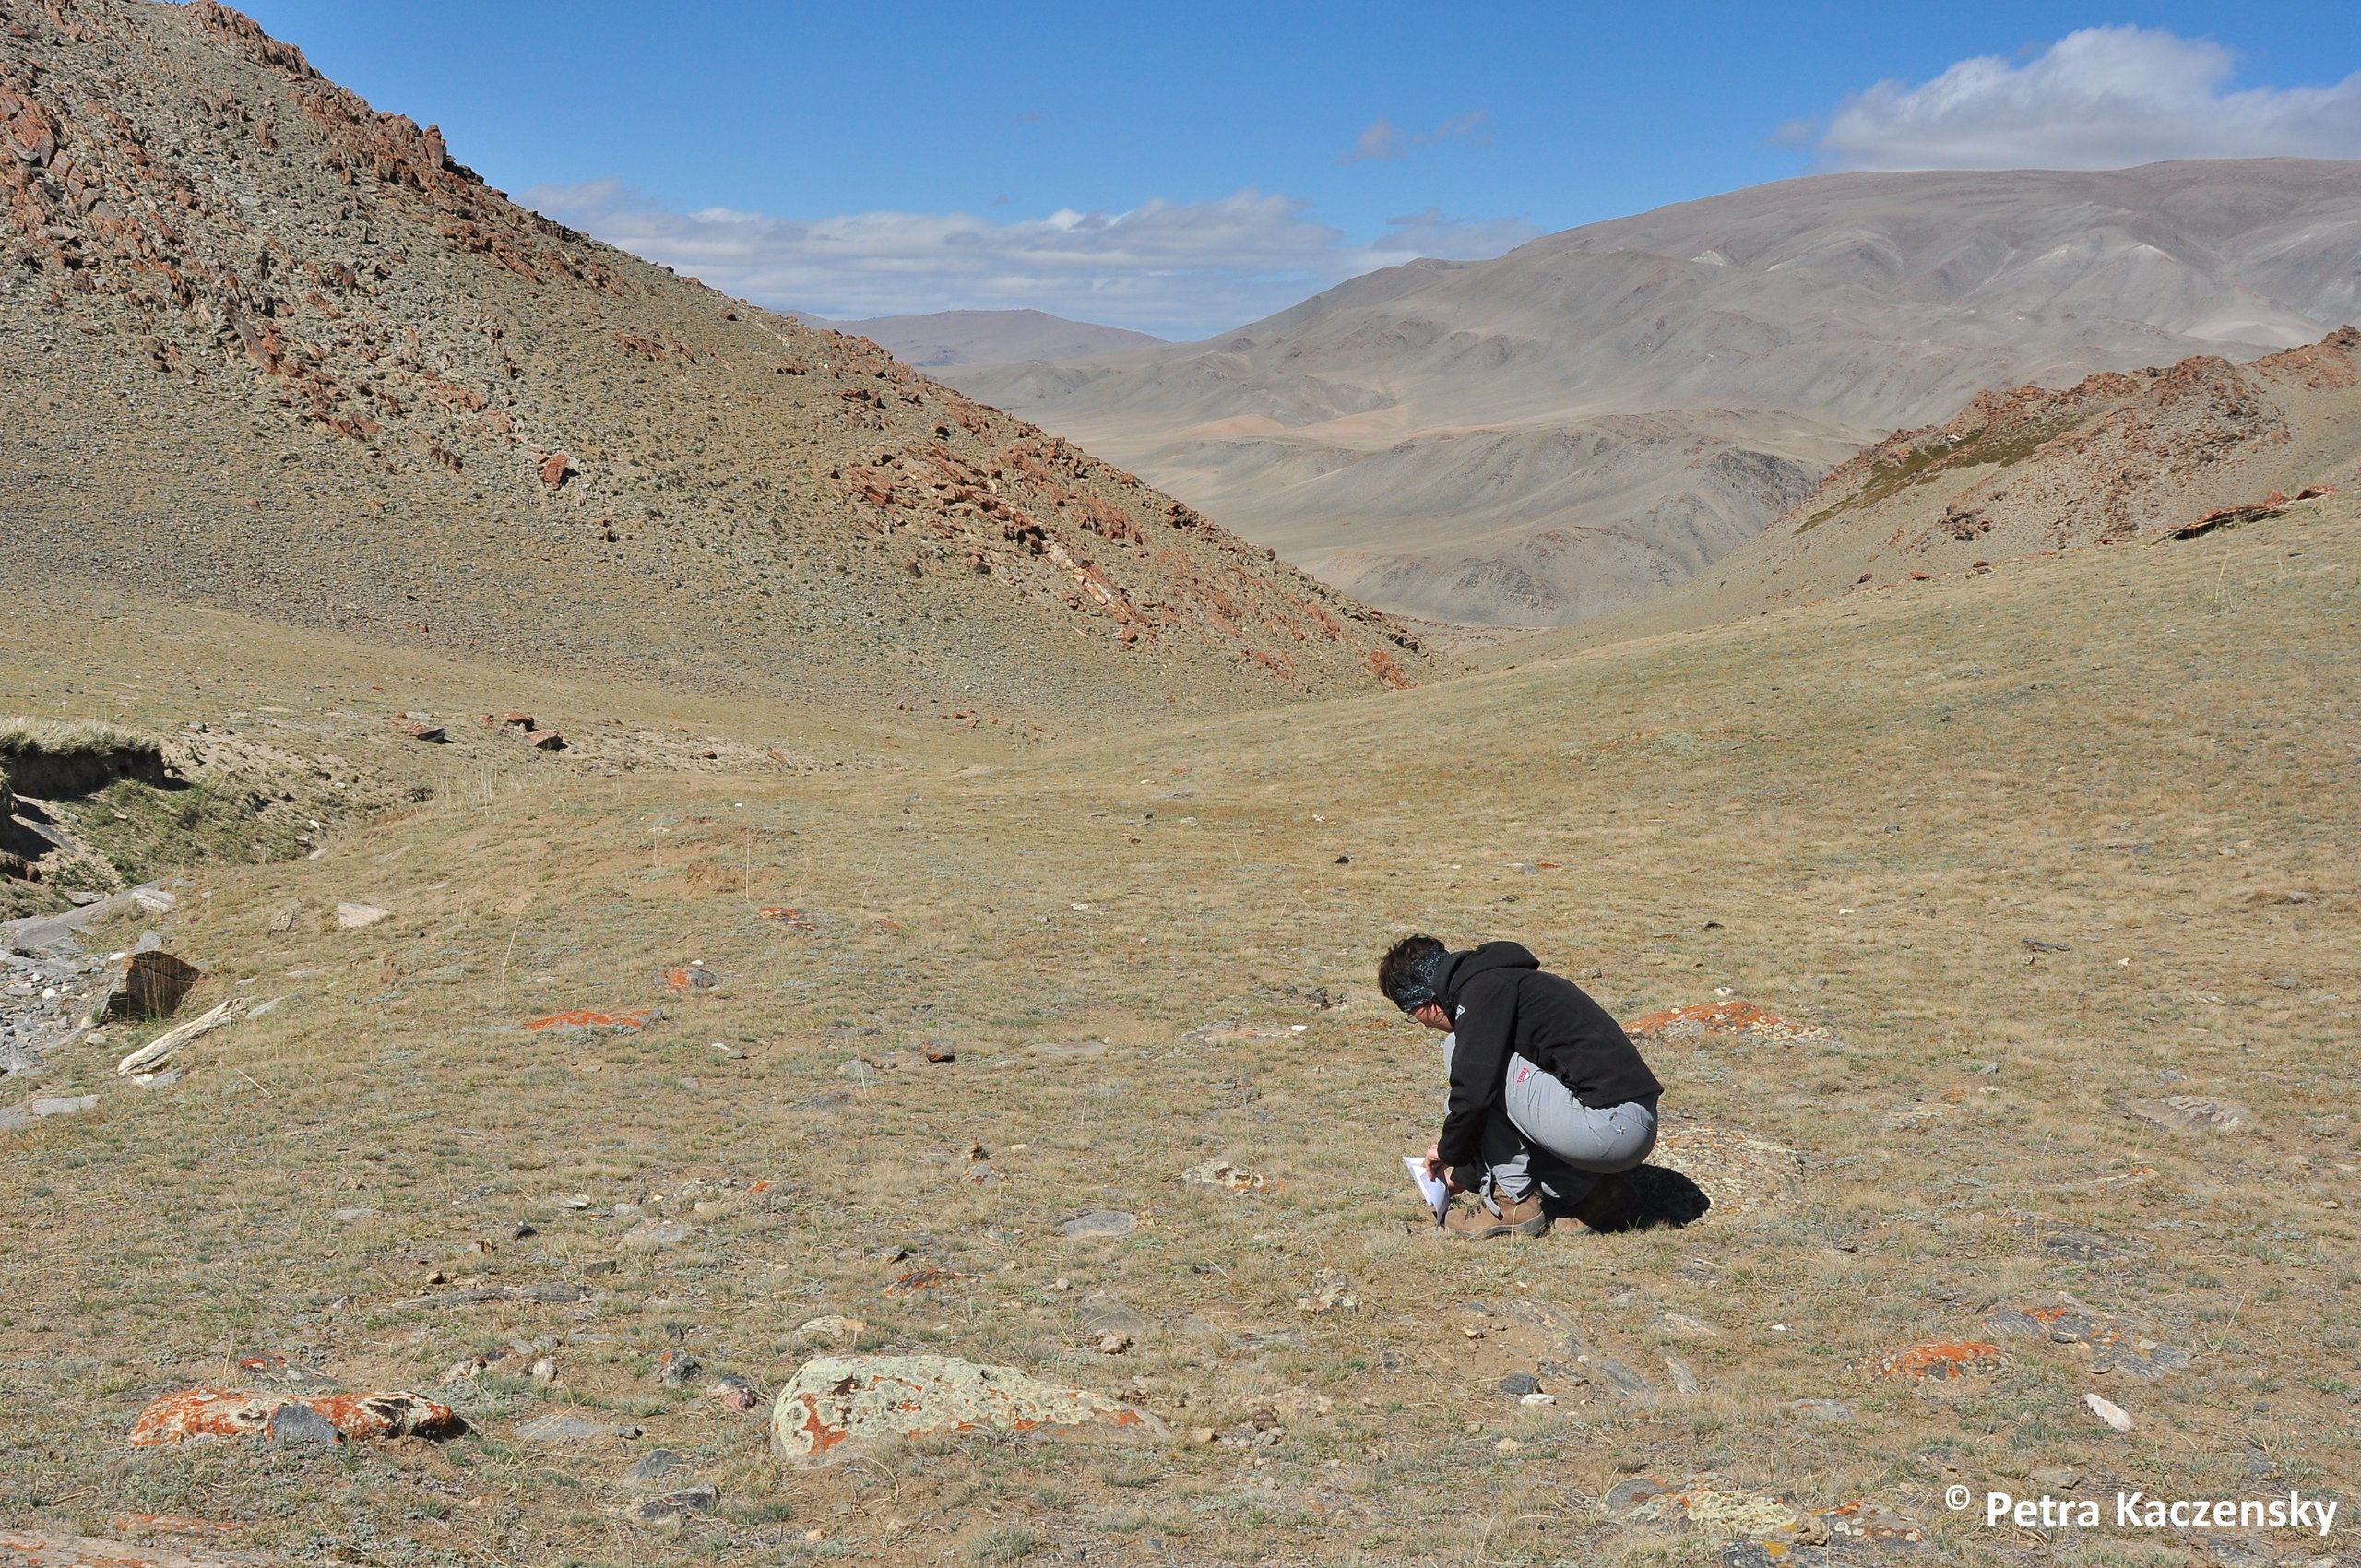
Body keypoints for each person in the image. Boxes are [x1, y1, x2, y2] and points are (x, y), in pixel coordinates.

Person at [1379, 934, 1663, 1240]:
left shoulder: (1481, 992)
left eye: (1411, 1014)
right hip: (1630, 1125)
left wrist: (1449, 1150)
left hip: (1610, 1128)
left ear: (1426, 1002)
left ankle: (1512, 1203)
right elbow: (1508, 1113)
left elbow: (1475, 1096)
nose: (1420, 1023)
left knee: (1461, 1051)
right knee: (1482, 1064)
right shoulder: (1500, 983)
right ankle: (1594, 1190)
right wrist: (1461, 1176)